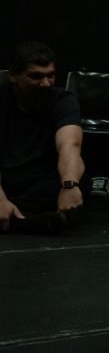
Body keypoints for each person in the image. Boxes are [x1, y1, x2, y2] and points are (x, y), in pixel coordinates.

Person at [0, 41, 84, 232]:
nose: (46, 83)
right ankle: (28, 222)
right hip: (4, 177)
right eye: (36, 76)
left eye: (51, 75)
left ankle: (12, 219)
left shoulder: (63, 100)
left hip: (39, 179)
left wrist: (69, 186)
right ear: (14, 76)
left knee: (78, 179)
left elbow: (70, 145)